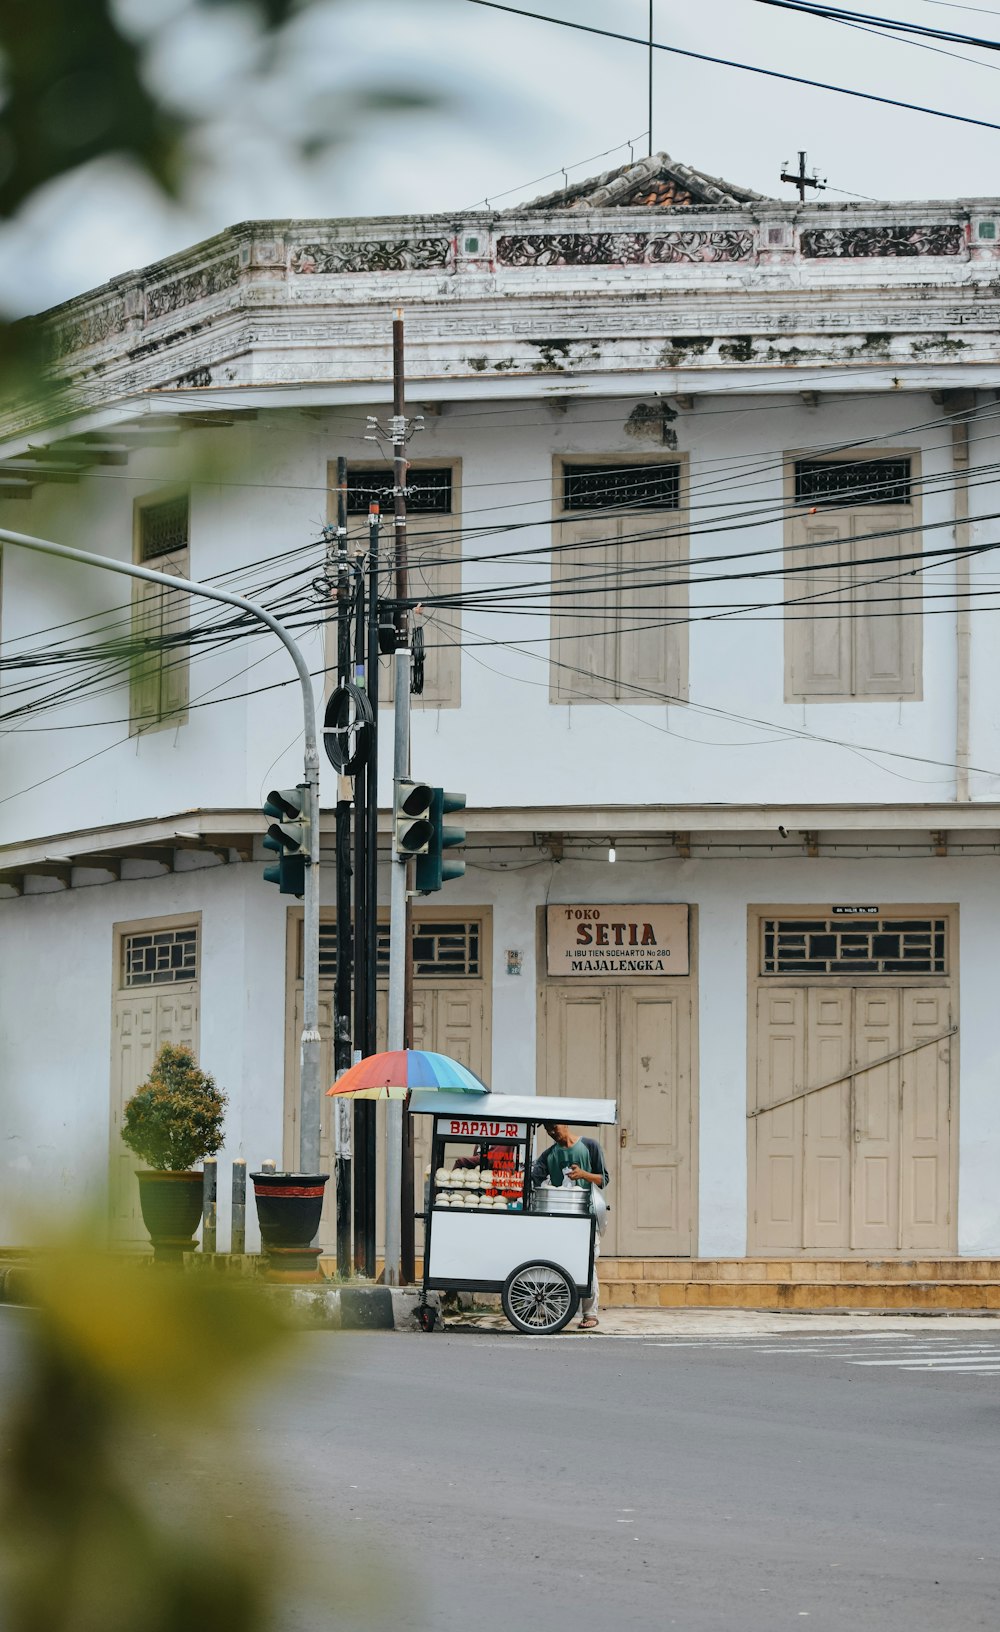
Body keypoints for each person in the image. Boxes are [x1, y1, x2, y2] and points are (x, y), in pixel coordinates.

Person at [531, 1122, 609, 1330]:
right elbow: (535, 1179)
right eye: (547, 1130)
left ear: (565, 1124)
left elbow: (603, 1179)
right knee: (557, 1264)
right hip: (560, 1219)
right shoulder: (548, 1155)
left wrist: (583, 1174)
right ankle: (557, 1312)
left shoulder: (589, 1146)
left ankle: (590, 1314)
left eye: (554, 1127)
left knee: (588, 1264)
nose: (551, 1132)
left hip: (587, 1214)